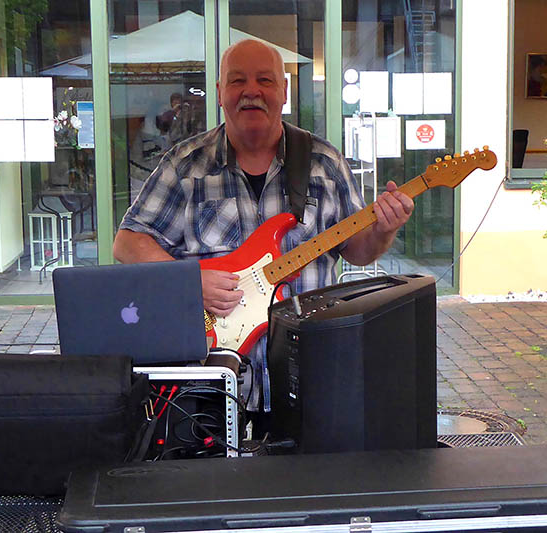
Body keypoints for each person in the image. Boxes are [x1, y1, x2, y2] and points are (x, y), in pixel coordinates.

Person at [113, 39, 413, 410]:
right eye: (238, 81)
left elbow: (357, 250)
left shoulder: (325, 164)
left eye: (265, 81)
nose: (251, 91)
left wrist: (384, 229)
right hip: (211, 381)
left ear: (284, 91)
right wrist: (187, 282)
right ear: (221, 92)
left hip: (309, 374)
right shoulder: (184, 166)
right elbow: (127, 242)